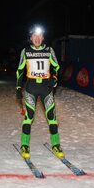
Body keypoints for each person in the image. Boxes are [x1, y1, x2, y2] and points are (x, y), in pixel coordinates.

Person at [15, 25, 63, 159]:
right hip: (31, 87)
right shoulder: (26, 51)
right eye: (34, 36)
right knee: (28, 118)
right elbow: (19, 70)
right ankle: (24, 145)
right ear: (31, 38)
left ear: (43, 37)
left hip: (46, 88)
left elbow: (57, 67)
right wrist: (18, 88)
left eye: (39, 36)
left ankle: (56, 145)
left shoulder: (49, 50)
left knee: (52, 118)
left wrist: (54, 78)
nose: (37, 39)